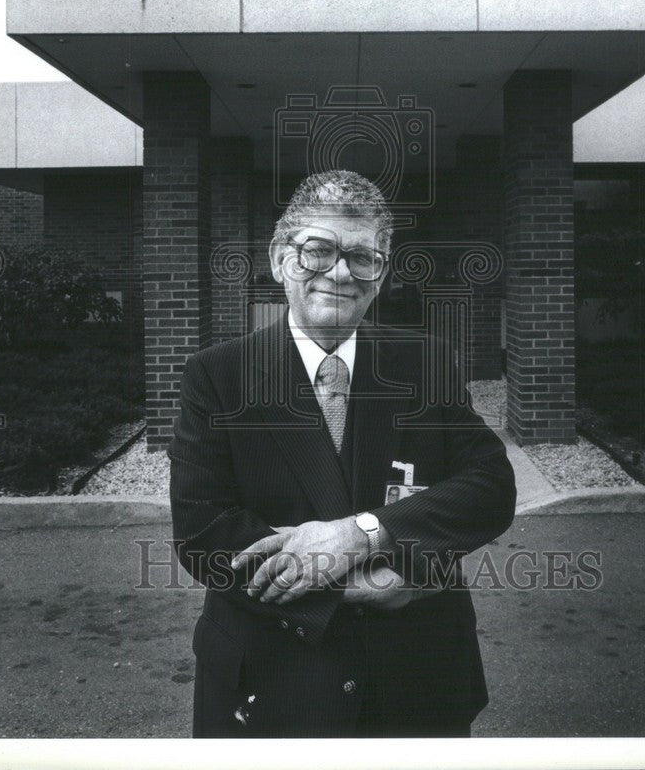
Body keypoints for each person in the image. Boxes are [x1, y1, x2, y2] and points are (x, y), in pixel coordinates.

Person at [169, 169, 516, 737]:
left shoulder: (426, 363)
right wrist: (377, 585)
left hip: (417, 681)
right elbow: (206, 534)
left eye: (362, 257)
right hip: (276, 681)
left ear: (379, 274)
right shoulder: (218, 376)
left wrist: (361, 534)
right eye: (318, 250)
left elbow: (489, 488)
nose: (339, 272)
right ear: (282, 259)